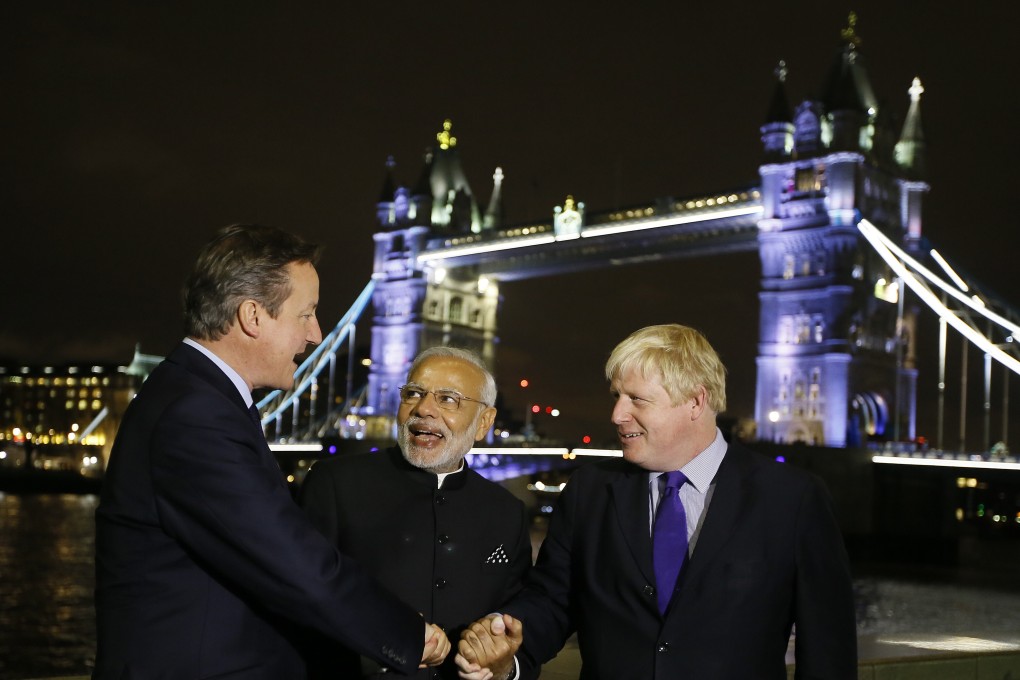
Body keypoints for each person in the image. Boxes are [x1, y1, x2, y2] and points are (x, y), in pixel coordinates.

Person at [93, 224, 449, 679]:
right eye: (307, 315)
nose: (318, 335)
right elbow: (292, 563)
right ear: (253, 316)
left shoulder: (197, 398)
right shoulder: (195, 415)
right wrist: (407, 634)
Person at [456, 324, 857, 679]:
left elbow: (828, 647)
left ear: (696, 402)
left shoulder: (791, 499)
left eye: (637, 399)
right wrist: (505, 649)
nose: (616, 414)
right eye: (617, 396)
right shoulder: (588, 494)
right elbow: (552, 603)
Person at [299, 346, 533, 679]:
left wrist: (501, 664)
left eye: (448, 399)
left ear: (484, 423)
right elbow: (299, 596)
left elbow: (515, 617)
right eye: (414, 393)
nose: (423, 409)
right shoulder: (335, 483)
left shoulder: (508, 511)